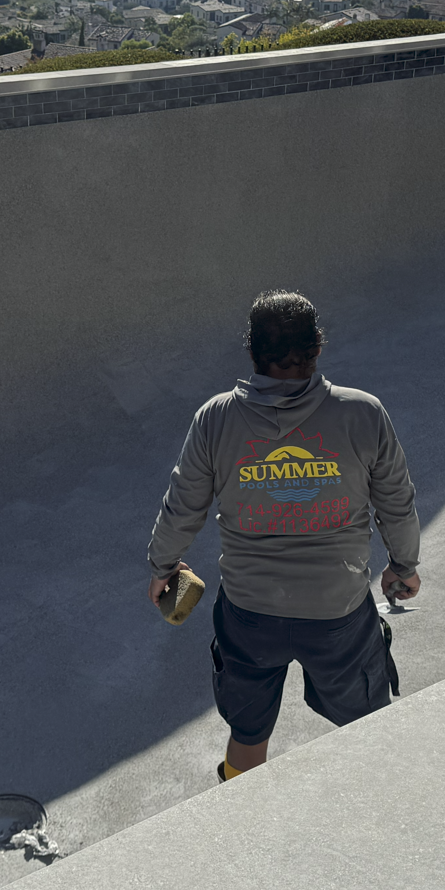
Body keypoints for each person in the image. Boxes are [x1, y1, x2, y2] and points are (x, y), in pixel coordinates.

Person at [147, 290, 422, 783]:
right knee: (367, 723)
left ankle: (241, 809)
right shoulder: (364, 413)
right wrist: (403, 566)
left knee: (248, 733)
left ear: (252, 351)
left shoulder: (216, 418)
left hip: (250, 614)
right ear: (318, 347)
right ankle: (375, 803)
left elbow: (181, 505)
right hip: (338, 610)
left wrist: (163, 566)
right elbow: (396, 502)